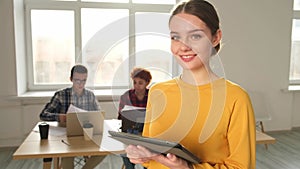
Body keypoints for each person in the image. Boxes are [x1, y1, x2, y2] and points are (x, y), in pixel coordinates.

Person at [125, 0, 256, 169]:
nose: (184, 46)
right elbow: (152, 159)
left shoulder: (236, 98)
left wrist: (188, 168)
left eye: (195, 36)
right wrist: (140, 155)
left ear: (215, 38)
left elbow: (241, 166)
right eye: (176, 37)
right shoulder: (158, 92)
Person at [40, 64, 105, 169]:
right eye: (77, 80)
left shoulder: (90, 95)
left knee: (105, 149)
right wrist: (60, 117)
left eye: (84, 80)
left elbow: (98, 116)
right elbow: (43, 115)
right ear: (71, 79)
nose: (81, 84)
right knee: (67, 155)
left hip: (85, 134)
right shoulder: (61, 95)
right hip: (66, 136)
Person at [118, 67, 152, 169]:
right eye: (135, 82)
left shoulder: (152, 95)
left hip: (148, 135)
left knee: (148, 152)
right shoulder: (126, 96)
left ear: (147, 83)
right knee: (126, 152)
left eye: (140, 83)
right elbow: (120, 117)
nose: (137, 86)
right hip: (130, 133)